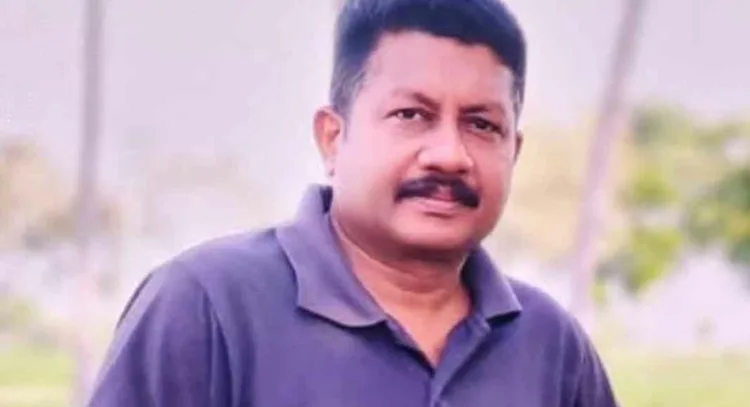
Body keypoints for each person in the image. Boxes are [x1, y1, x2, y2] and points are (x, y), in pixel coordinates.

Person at [88, 0, 620, 406]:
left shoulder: (550, 344)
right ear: (332, 138)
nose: (450, 155)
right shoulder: (207, 307)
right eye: (412, 115)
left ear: (513, 151)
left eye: (482, 125)